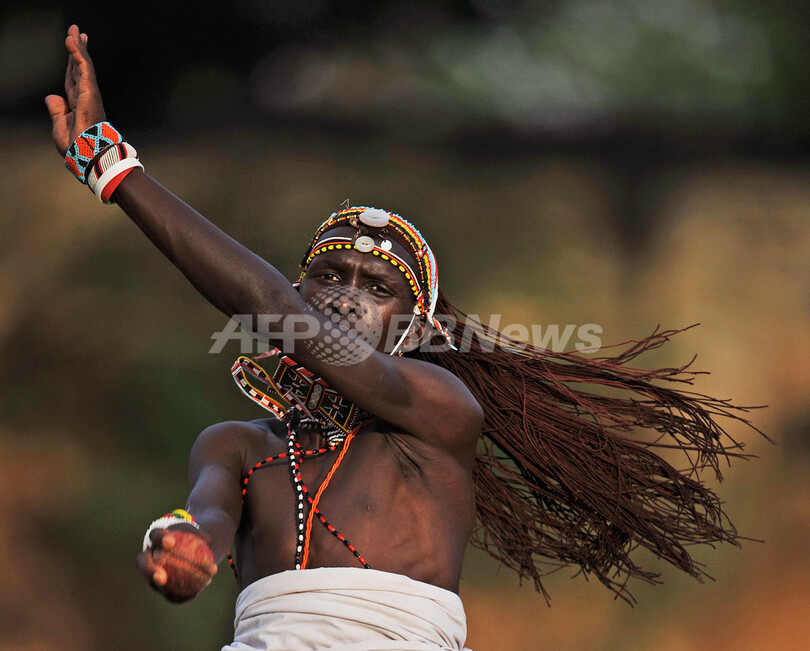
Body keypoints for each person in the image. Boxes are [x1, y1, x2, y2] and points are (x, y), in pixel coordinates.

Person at [47, 25, 764, 650]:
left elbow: (266, 302)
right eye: (330, 275)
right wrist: (179, 541)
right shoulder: (237, 444)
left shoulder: (436, 408)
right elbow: (204, 511)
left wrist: (111, 166)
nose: (347, 296)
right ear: (301, 292)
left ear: (415, 328)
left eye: (376, 286)